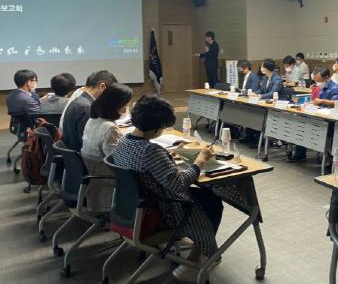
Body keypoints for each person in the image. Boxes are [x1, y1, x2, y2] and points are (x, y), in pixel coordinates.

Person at [114, 95, 223, 282]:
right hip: (161, 210)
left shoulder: (123, 141)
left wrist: (167, 155)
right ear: (156, 128)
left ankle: (197, 250)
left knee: (205, 196)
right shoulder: (150, 151)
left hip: (133, 206)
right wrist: (200, 161)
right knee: (211, 200)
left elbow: (148, 165)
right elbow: (178, 184)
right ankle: (195, 259)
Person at [81, 83, 133, 211]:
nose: (126, 109)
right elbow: (119, 162)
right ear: (115, 104)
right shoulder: (110, 128)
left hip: (95, 176)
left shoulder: (93, 120)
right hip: (107, 181)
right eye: (125, 104)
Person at [62, 70, 118, 151]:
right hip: (81, 154)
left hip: (72, 152)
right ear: (102, 87)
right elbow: (89, 141)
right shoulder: (87, 107)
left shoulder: (79, 100)